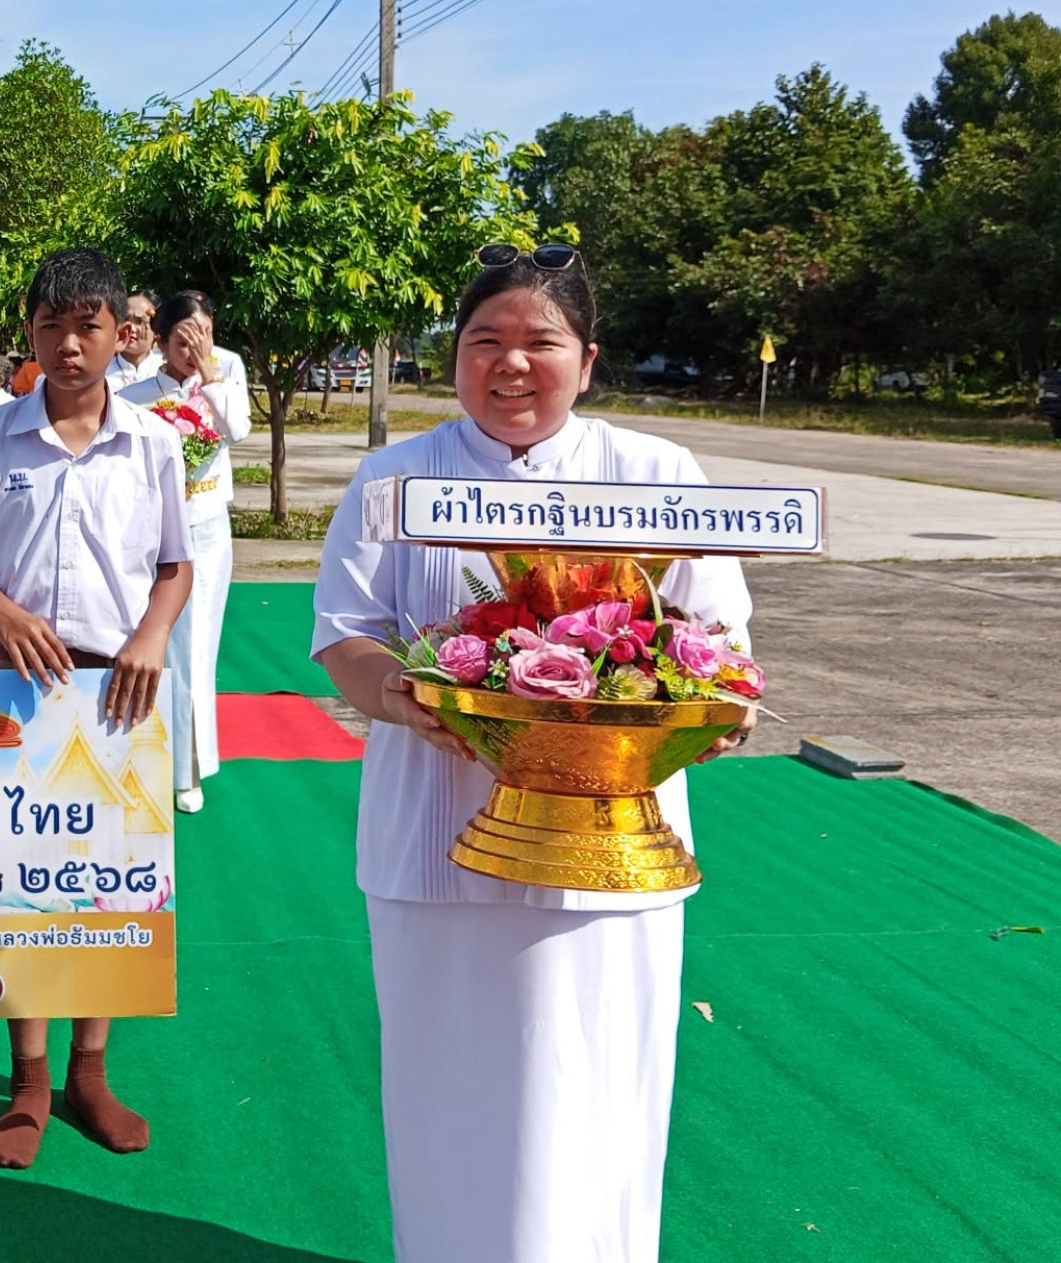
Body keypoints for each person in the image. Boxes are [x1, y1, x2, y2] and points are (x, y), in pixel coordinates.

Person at [310, 244, 756, 1263]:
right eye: (486, 343)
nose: (511, 365)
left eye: (539, 343)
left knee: (597, 1090)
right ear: (455, 354)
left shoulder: (658, 476)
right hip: (439, 833)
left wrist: (710, 711)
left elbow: (716, 647)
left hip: (614, 849)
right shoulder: (393, 478)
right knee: (448, 1090)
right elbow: (346, 633)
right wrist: (411, 694)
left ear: (587, 358)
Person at [0, 247, 193, 1172]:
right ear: (30, 331)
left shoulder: (153, 440)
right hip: (11, 690)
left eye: (86, 326)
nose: (68, 345)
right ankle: (28, 1082)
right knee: (17, 886)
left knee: (110, 884)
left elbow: (175, 563)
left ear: (120, 332)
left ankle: (91, 1071)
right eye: (50, 326)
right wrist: (1, 610)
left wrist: (151, 635)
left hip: (118, 693)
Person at [119, 290, 252, 811]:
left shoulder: (228, 371)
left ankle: (186, 770)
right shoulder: (135, 392)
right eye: (181, 341)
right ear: (160, 337)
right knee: (142, 644)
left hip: (206, 532)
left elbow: (237, 429)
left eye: (203, 337)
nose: (192, 350)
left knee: (195, 651)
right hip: (148, 537)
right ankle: (138, 754)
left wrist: (210, 373)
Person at [106, 290, 163, 392]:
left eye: (139, 321)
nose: (130, 328)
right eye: (125, 319)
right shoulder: (101, 370)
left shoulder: (166, 370)